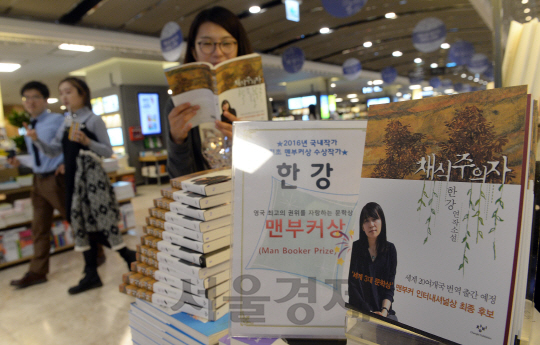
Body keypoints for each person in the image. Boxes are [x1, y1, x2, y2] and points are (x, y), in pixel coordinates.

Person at [26, 77, 135, 294]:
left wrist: (87, 142)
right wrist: (37, 139)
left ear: (82, 94)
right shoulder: (67, 120)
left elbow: (106, 150)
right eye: (62, 93)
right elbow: (54, 151)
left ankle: (126, 258)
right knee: (81, 224)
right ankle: (94, 272)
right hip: (74, 181)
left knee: (101, 222)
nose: (64, 97)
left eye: (68, 92)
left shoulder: (93, 120)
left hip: (92, 181)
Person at [164, 6, 253, 178]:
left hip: (250, 198)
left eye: (226, 43)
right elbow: (178, 178)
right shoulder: (177, 106)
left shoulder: (257, 97)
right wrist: (177, 141)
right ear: (193, 51)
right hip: (204, 201)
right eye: (206, 43)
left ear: (238, 48)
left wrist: (250, 141)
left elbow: (273, 168)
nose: (217, 53)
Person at [9, 81, 66, 289]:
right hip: (38, 180)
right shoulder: (30, 126)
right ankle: (37, 272)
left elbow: (70, 145)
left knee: (73, 218)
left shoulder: (57, 120)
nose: (30, 102)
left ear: (44, 100)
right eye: (26, 98)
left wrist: (66, 162)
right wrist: (20, 161)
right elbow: (38, 157)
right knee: (39, 227)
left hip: (55, 179)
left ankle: (95, 253)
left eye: (34, 97)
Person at [348, 202, 397, 321]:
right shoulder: (354, 249)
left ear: (382, 222)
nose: (371, 224)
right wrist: (369, 312)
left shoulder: (390, 250)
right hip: (361, 310)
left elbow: (389, 288)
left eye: (375, 219)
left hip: (383, 313)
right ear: (362, 227)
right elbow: (353, 287)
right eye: (366, 221)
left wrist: (384, 312)